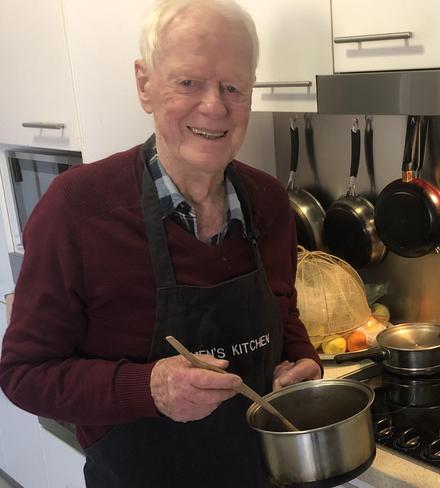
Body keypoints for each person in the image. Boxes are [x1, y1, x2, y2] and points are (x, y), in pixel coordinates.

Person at [0, 0, 322, 486]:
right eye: (188, 82)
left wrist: (302, 361)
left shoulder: (270, 202)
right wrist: (148, 387)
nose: (214, 106)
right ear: (144, 84)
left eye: (233, 87)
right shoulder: (77, 211)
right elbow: (24, 374)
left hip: (258, 474)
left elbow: (282, 312)